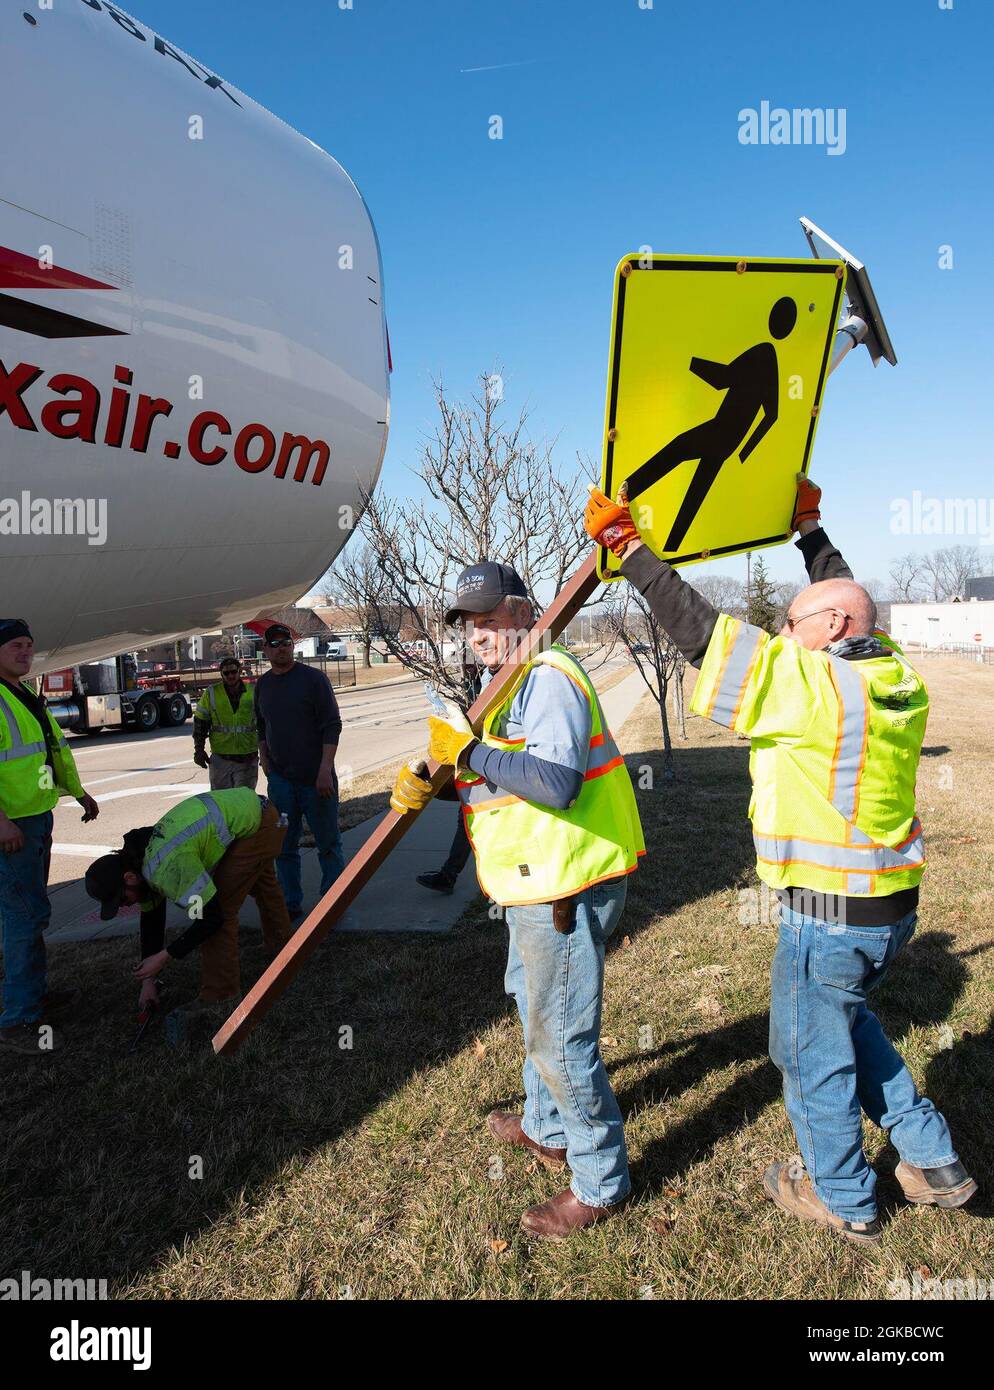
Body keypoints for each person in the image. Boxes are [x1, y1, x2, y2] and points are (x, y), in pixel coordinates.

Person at [584, 475, 976, 1244]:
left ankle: (843, 1197)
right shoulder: (891, 673)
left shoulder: (814, 683)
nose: (783, 635)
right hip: (889, 906)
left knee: (805, 1052)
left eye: (793, 625)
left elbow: (705, 635)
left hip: (827, 913)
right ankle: (931, 1159)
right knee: (846, 1022)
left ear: (828, 627)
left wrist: (629, 549)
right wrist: (809, 530)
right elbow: (840, 594)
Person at [391, 561, 645, 1240]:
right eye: (468, 623)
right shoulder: (507, 684)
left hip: (566, 884)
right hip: (532, 880)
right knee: (530, 1004)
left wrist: (470, 753)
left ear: (523, 610)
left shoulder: (548, 676)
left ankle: (599, 1183)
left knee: (561, 1036)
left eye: (489, 618)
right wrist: (433, 781)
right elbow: (502, 775)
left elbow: (556, 782)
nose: (477, 633)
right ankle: (546, 1128)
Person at [84, 787, 292, 1007]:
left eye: (122, 900)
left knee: (223, 911)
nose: (126, 905)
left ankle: (220, 996)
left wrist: (166, 956)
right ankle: (285, 947)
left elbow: (211, 918)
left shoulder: (166, 867)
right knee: (264, 887)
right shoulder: (139, 860)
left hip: (260, 826)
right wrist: (148, 982)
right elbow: (151, 924)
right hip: (256, 811)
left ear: (128, 878)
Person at [0, 618, 100, 1054]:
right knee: (21, 918)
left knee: (32, 913)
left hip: (36, 819)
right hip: (13, 828)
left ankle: (33, 998)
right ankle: (18, 1017)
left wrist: (79, 793)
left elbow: (49, 751)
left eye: (29, 645)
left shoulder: (22, 694)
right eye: (15, 645)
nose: (25, 652)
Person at [254, 623, 344, 919]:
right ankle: (290, 903)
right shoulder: (263, 686)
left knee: (328, 844)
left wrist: (324, 770)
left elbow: (332, 725)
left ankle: (332, 902)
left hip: (316, 780)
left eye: (287, 642)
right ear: (265, 650)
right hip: (281, 783)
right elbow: (261, 726)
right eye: (275, 643)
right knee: (284, 847)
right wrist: (265, 761)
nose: (282, 647)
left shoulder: (313, 680)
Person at [193, 656, 259, 789]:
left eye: (233, 672)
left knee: (243, 802)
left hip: (247, 758)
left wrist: (266, 751)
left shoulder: (253, 692)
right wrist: (199, 750)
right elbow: (200, 723)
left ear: (240, 671)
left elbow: (264, 723)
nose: (230, 676)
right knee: (221, 801)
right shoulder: (211, 693)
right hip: (221, 759)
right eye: (226, 673)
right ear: (221, 674)